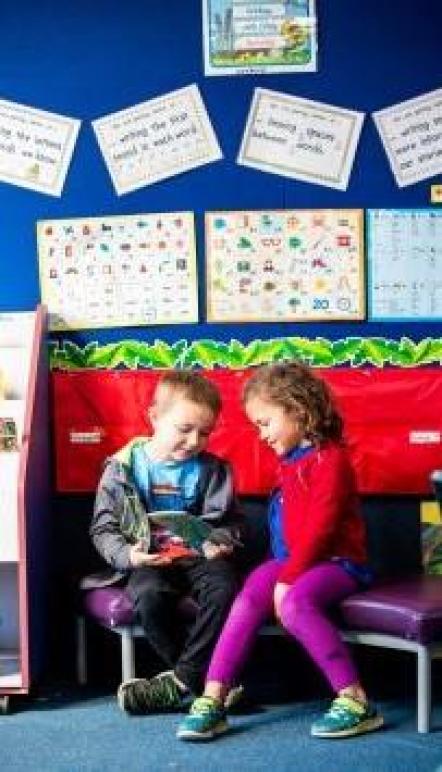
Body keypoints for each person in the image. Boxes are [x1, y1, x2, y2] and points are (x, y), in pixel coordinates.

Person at [177, 362, 384, 741]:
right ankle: (213, 698)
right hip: (298, 561)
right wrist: (281, 574)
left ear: (299, 412)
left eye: (265, 423)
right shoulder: (291, 461)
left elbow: (320, 530)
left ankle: (355, 700)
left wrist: (288, 580)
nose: (261, 434)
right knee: (252, 589)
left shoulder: (330, 460)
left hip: (339, 564)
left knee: (294, 603)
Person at [89, 370, 243, 714]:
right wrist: (129, 555)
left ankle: (180, 682)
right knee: (148, 596)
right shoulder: (122, 468)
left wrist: (221, 542)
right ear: (155, 417)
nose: (194, 441)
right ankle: (202, 681)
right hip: (149, 560)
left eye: (204, 433)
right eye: (184, 429)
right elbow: (103, 528)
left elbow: (231, 523)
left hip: (199, 556)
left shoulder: (214, 470)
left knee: (225, 587)